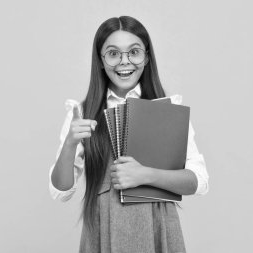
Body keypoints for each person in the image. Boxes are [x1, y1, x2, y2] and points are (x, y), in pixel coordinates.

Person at [49, 16, 209, 253]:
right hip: (104, 228)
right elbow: (61, 191)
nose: (124, 62)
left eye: (134, 52)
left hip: (158, 227)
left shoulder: (167, 109)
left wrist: (146, 175)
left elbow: (199, 181)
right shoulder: (82, 113)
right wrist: (71, 143)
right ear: (101, 61)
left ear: (146, 57)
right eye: (113, 53)